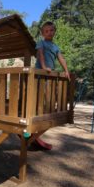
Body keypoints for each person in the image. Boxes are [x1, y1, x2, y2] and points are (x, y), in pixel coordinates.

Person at [34, 21, 70, 150]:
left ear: (54, 32)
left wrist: (65, 70)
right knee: (38, 93)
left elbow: (61, 58)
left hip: (50, 75)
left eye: (51, 30)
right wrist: (44, 67)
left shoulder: (55, 47)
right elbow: (40, 54)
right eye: (46, 31)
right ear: (43, 33)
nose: (49, 32)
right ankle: (37, 110)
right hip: (40, 74)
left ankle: (46, 109)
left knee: (49, 96)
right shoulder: (41, 43)